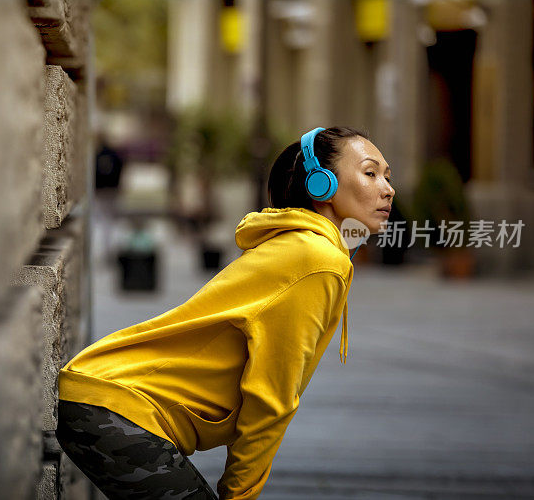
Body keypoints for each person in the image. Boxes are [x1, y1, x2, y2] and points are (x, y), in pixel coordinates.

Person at [55, 126, 396, 499]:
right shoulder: (317, 259)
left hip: (111, 401)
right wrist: (241, 495)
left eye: (388, 176)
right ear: (321, 184)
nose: (388, 188)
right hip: (120, 409)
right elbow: (271, 398)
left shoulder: (307, 249)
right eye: (370, 172)